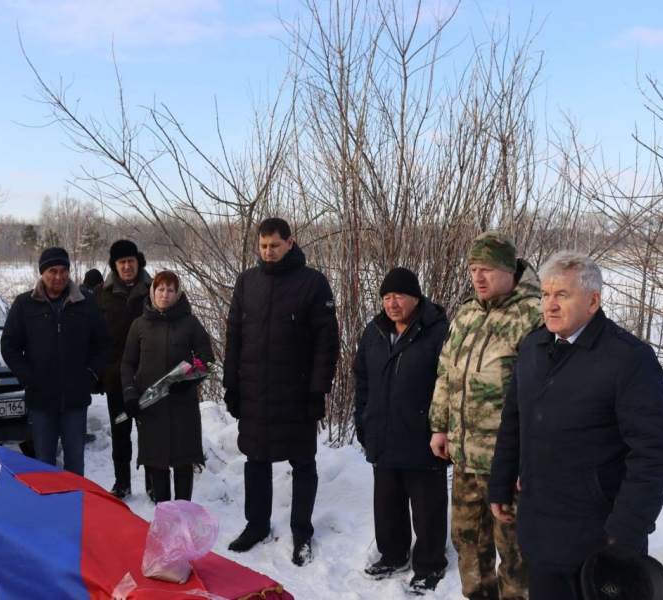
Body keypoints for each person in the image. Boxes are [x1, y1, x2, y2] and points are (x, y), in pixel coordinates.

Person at [488, 251, 663, 600]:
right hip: (541, 528)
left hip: (599, 537)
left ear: (593, 301)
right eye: (545, 294)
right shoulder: (533, 347)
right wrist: (500, 482)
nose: (549, 305)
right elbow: (514, 420)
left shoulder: (628, 358)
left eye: (562, 294)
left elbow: (652, 453)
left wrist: (626, 531)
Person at [429, 231, 542, 600]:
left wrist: (528, 458)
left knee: (514, 553)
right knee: (468, 542)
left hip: (506, 463)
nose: (478, 277)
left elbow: (541, 395)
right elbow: (446, 372)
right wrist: (439, 427)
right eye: (474, 269)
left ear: (509, 270)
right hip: (465, 456)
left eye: (487, 269)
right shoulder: (468, 313)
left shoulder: (533, 315)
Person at [223, 217, 339, 567]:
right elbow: (234, 335)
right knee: (255, 460)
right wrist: (232, 385)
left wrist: (318, 391)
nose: (268, 252)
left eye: (274, 245)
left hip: (296, 392)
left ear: (290, 242)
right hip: (255, 389)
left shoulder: (312, 283)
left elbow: (326, 343)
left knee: (302, 462)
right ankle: (256, 525)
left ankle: (301, 532)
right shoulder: (247, 281)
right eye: (263, 246)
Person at [354, 267, 450, 594]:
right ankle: (393, 555)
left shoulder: (437, 331)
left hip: (422, 436)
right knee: (387, 504)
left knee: (427, 508)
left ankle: (430, 564)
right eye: (386, 297)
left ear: (416, 298)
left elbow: (449, 384)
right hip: (383, 431)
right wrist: (363, 418)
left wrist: (441, 428)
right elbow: (362, 378)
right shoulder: (375, 331)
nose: (392, 304)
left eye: (399, 296)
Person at [1, 247, 110, 476]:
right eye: (52, 271)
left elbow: (102, 342)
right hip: (40, 399)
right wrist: (28, 377)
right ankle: (48, 501)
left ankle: (75, 499)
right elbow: (9, 345)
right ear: (42, 273)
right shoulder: (24, 304)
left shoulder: (86, 303)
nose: (58, 276)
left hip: (75, 398)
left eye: (63, 270)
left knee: (75, 461)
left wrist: (90, 374)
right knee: (44, 461)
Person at [120, 271, 214, 502]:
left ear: (177, 294)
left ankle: (183, 512)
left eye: (170, 290)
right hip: (152, 406)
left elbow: (207, 360)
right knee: (157, 462)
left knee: (183, 462)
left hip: (183, 406)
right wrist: (130, 394)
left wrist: (189, 380)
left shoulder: (190, 323)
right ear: (153, 291)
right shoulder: (139, 325)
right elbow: (128, 363)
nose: (165, 295)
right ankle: (163, 513)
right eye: (160, 289)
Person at [94, 240, 153, 499]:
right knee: (120, 432)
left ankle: (153, 483)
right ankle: (122, 483)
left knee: (149, 433)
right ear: (114, 265)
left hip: (149, 377)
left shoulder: (154, 289)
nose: (127, 266)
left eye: (131, 261)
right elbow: (94, 335)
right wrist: (98, 373)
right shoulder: (100, 293)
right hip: (116, 378)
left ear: (138, 262)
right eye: (122, 262)